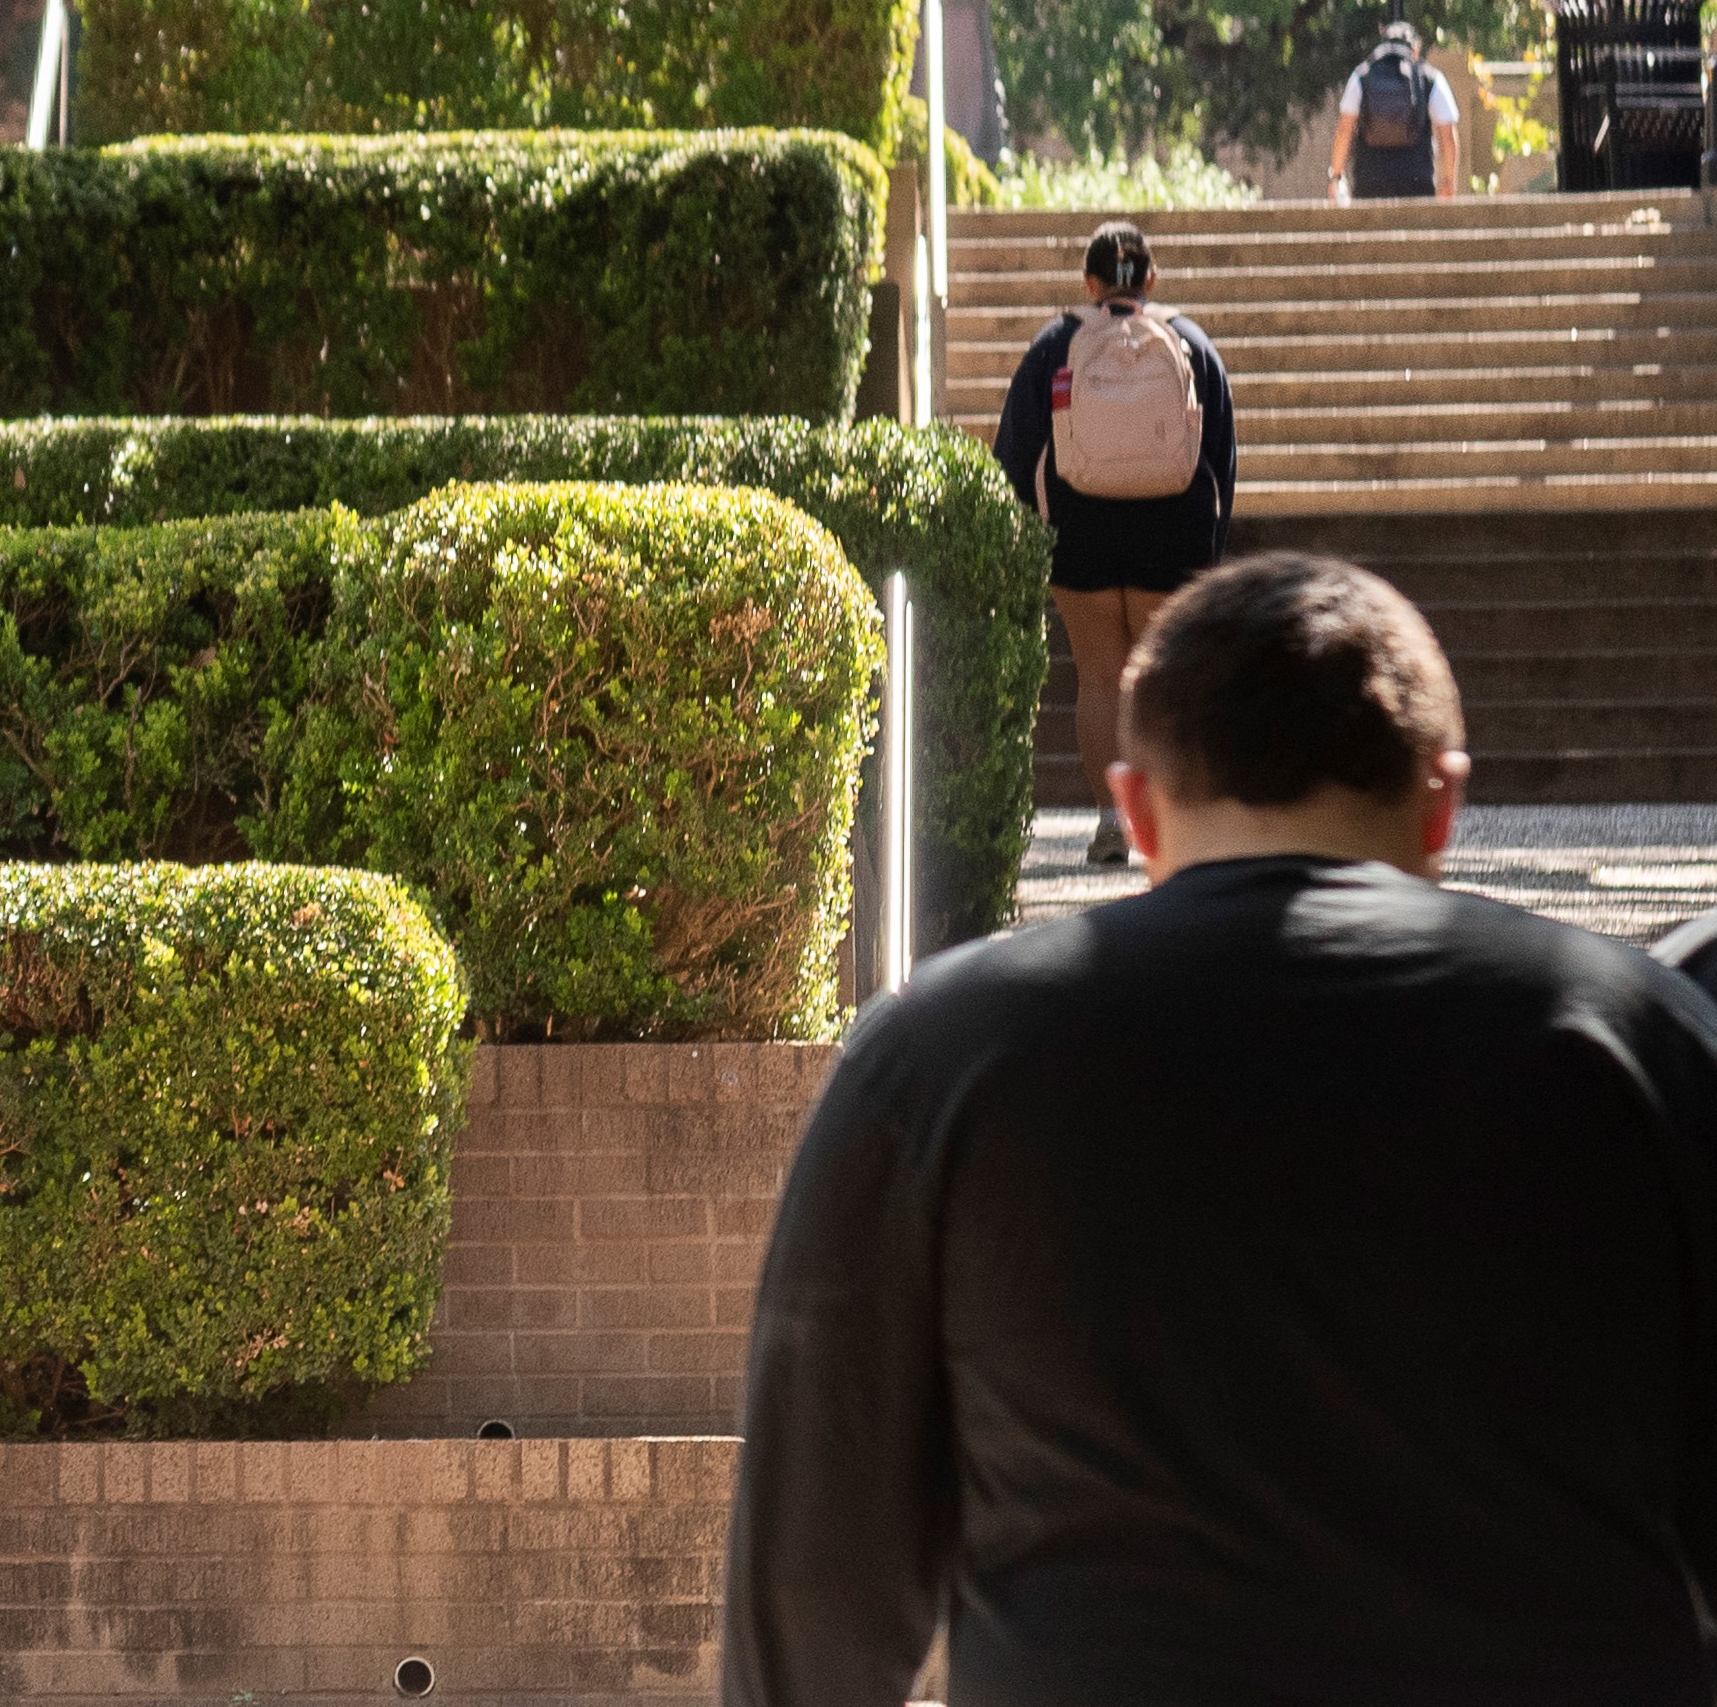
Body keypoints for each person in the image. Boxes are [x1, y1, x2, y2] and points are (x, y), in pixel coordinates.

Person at [724, 551, 1717, 1706]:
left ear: (1133, 807)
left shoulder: (942, 1059)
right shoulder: (1638, 1040)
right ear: (1442, 801)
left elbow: (813, 1587)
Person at [990, 219, 1233, 872]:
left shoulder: (1055, 344)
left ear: (1088, 281)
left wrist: (1023, 535)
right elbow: (1220, 455)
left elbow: (1013, 451)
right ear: (1149, 279)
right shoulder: (1187, 342)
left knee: (1099, 677)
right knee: (1157, 682)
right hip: (1172, 528)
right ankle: (1166, 824)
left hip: (1079, 527)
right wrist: (1211, 541)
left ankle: (1108, 823)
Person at [1328, 19, 1461, 199]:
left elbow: (1345, 129)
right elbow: (1448, 135)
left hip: (1369, 183)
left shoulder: (1362, 76)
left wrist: (1336, 176)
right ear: (1415, 48)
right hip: (1417, 183)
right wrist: (1448, 180)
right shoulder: (1430, 78)